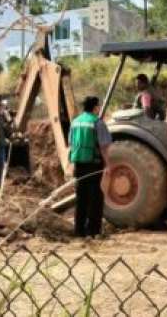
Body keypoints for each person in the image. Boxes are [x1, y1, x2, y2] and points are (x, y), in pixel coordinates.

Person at [68, 96, 112, 238]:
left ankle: (79, 230)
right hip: (94, 164)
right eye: (98, 106)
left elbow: (71, 144)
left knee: (81, 198)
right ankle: (93, 231)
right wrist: (108, 165)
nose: (99, 108)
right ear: (95, 107)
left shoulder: (75, 122)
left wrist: (70, 166)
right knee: (95, 198)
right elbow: (104, 146)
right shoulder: (97, 123)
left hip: (79, 164)